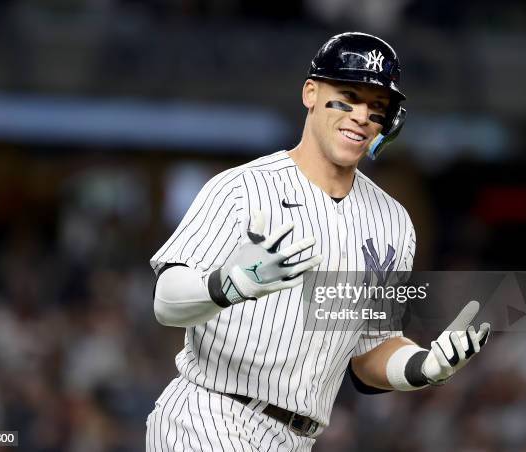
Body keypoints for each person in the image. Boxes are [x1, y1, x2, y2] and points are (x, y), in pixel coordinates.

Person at [146, 32, 490, 451]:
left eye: (377, 106)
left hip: (297, 439)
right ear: (310, 93)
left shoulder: (394, 223)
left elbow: (369, 355)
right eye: (348, 95)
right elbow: (166, 301)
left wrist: (425, 365)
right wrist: (230, 283)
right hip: (210, 415)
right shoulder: (242, 189)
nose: (362, 115)